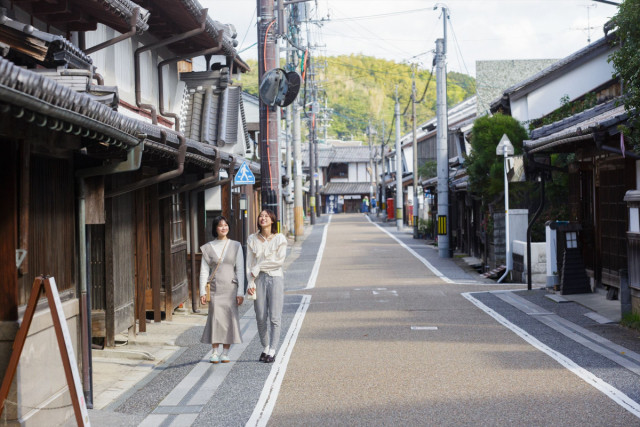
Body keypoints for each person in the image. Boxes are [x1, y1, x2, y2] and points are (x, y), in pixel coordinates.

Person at [199, 216, 245, 363]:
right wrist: (202, 291)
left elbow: (240, 270)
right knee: (215, 319)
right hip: (215, 288)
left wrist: (240, 292)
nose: (223, 228)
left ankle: (225, 352)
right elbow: (204, 271)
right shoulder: (207, 247)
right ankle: (214, 351)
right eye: (220, 226)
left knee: (229, 320)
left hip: (231, 288)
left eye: (226, 225)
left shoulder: (236, 245)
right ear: (215, 228)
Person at [246, 209, 287, 363]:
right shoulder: (252, 239)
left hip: (275, 278)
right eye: (261, 216)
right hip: (257, 280)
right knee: (260, 316)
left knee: (275, 317)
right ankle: (265, 346)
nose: (263, 218)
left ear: (272, 220)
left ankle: (273, 350)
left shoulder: (280, 238)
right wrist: (250, 281)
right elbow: (249, 264)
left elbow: (279, 261)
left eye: (266, 216)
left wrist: (258, 267)